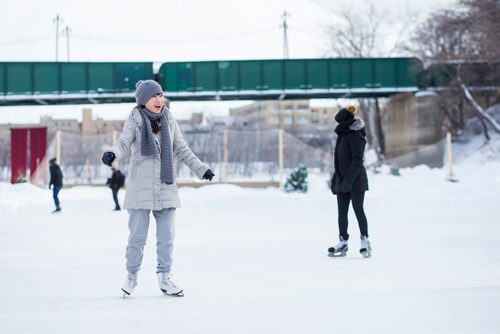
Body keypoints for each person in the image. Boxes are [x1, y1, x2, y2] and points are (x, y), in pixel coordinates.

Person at [101, 80, 215, 298]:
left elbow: (181, 149)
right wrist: (113, 153)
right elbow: (124, 143)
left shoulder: (169, 119)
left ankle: (165, 278)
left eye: (161, 95)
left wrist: (202, 169)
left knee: (167, 237)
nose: (159, 100)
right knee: (137, 238)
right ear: (143, 100)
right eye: (154, 96)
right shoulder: (134, 119)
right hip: (140, 187)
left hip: (165, 185)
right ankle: (131, 277)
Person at [328, 105, 371, 258]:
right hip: (343, 180)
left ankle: (365, 241)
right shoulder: (342, 135)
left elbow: (357, 161)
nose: (338, 126)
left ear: (346, 121)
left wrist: (348, 181)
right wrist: (336, 178)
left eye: (340, 123)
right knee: (342, 212)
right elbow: (339, 161)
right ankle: (343, 242)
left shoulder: (356, 136)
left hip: (356, 180)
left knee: (358, 209)